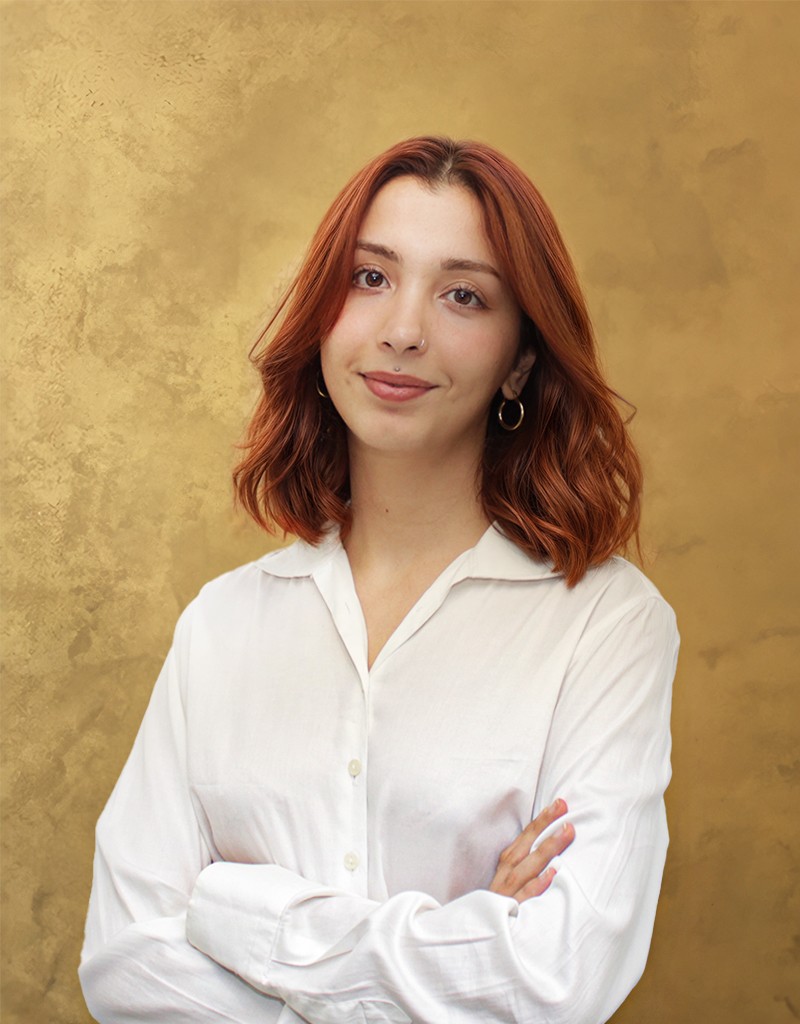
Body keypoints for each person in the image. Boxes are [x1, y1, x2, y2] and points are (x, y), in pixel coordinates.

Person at [79, 136, 679, 1024]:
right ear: (325, 314)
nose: (403, 329)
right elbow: (125, 967)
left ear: (519, 360)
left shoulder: (605, 623)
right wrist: (464, 938)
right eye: (370, 278)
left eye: (464, 294)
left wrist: (244, 917)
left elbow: (559, 980)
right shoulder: (223, 626)